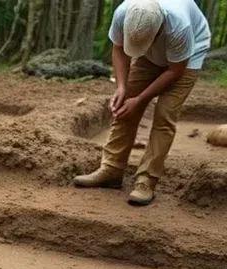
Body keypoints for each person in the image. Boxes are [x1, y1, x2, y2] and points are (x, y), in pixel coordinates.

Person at [74, 0, 211, 206]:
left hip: (187, 57)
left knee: (165, 114)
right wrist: (122, 88)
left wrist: (139, 100)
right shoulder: (123, 13)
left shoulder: (179, 25)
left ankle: (147, 180)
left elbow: (175, 71)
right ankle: (111, 169)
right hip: (151, 55)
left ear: (158, 30)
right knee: (124, 105)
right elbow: (119, 49)